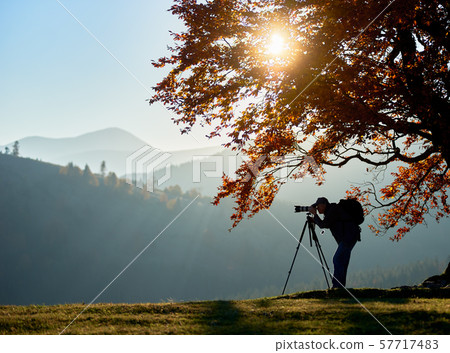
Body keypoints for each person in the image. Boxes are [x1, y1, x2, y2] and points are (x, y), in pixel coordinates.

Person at [308, 197, 360, 289]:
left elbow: (324, 225)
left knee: (337, 259)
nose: (317, 208)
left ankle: (337, 286)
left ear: (323, 205)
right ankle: (340, 286)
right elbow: (325, 223)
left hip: (348, 236)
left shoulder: (333, 210)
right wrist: (315, 218)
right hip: (351, 236)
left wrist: (315, 215)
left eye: (318, 206)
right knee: (342, 260)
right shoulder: (331, 211)